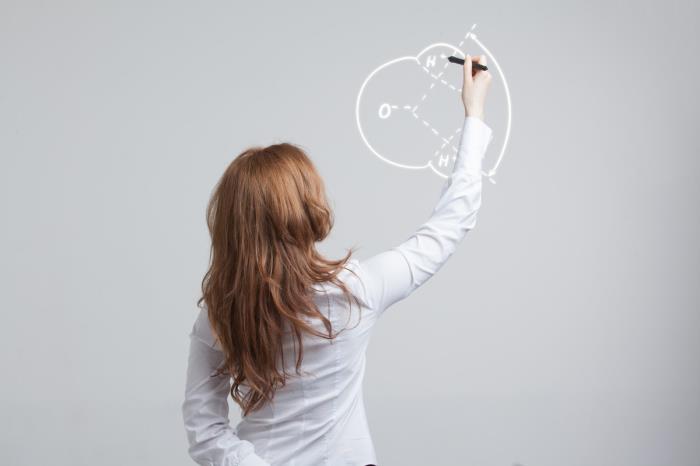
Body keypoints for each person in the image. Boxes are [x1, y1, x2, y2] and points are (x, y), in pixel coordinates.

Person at [181, 54, 493, 466]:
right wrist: (474, 113)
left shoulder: (221, 311)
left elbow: (204, 430)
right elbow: (450, 224)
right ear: (306, 210)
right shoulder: (355, 289)